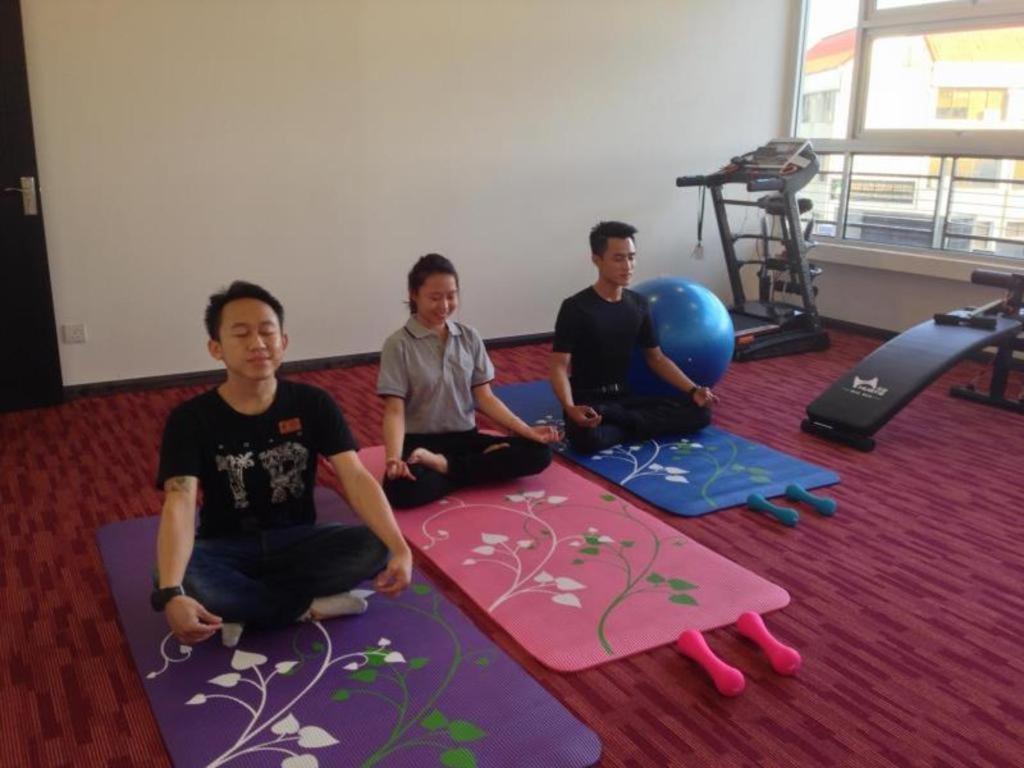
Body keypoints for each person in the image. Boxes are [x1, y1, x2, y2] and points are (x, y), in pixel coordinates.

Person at [153, 281, 412, 648]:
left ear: (284, 342)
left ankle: (243, 607)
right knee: (171, 576)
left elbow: (355, 476)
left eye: (267, 331)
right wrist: (170, 592)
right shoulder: (190, 419)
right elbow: (179, 501)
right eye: (241, 334)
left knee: (377, 545)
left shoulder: (313, 403)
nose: (257, 343)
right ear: (216, 348)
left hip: (298, 542)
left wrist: (400, 548)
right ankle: (306, 606)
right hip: (226, 546)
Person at [378, 253, 559, 509]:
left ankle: (445, 467)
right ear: (414, 295)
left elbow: (485, 398)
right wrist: (394, 458)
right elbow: (394, 411)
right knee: (399, 490)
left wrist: (527, 431)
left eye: (451, 296)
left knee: (539, 453)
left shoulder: (469, 336)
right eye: (434, 298)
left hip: (465, 439)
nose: (444, 305)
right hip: (420, 443)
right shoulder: (397, 345)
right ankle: (474, 470)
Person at [550, 221, 718, 454]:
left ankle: (620, 422)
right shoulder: (575, 307)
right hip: (589, 400)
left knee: (701, 414)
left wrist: (694, 389)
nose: (628, 266)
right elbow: (559, 365)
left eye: (631, 257)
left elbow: (656, 358)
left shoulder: (638, 304)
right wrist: (569, 407)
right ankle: (634, 423)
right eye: (619, 259)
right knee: (587, 439)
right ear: (597, 260)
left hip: (625, 398)